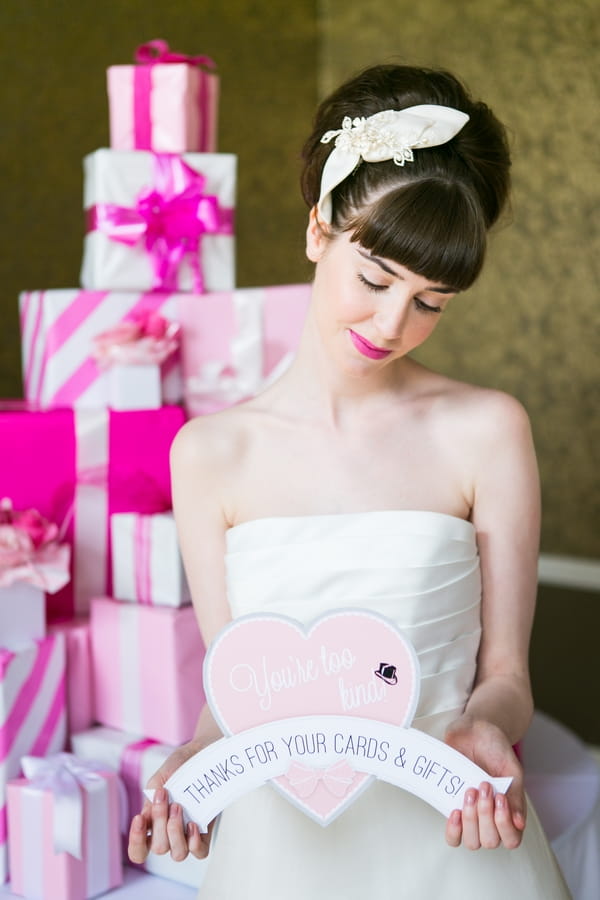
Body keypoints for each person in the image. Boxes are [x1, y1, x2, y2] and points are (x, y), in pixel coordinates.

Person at [128, 64, 571, 898]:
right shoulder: (211, 454)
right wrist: (191, 769)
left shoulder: (488, 431)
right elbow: (235, 692)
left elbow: (507, 675)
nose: (391, 325)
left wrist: (486, 727)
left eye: (431, 301)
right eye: (373, 279)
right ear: (317, 231)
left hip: (456, 842)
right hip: (278, 854)